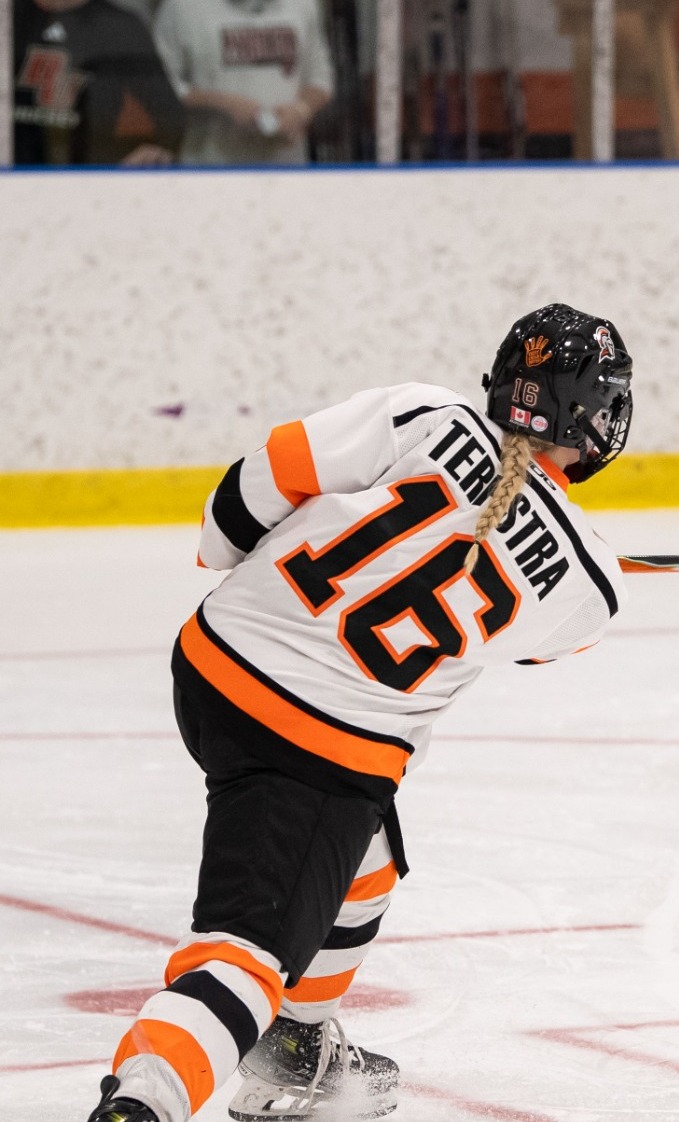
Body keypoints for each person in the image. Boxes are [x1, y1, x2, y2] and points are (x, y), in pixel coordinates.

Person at [85, 304, 635, 1122]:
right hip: (312, 755)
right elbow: (543, 642)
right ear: (594, 415)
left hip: (208, 665)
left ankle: (297, 1048)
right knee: (244, 957)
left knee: (368, 861)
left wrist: (235, 572)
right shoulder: (590, 588)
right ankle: (146, 1100)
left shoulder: (422, 412)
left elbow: (261, 479)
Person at [150, 0, 335, 166]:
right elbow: (158, 86)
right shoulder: (181, 7)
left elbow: (320, 76)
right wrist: (222, 103)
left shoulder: (302, 5)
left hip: (286, 168)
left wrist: (300, 110)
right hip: (211, 168)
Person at [11, 0, 184, 165]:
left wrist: (152, 154)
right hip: (12, 178)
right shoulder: (9, 18)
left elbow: (170, 117)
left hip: (97, 181)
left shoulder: (120, 25)